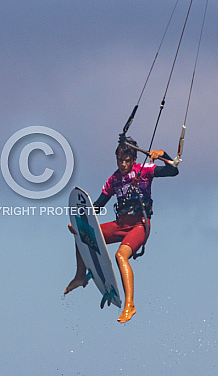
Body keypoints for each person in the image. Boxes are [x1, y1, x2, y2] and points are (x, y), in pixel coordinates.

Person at [64, 138, 179, 323]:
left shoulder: (144, 171)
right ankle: (80, 276)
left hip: (140, 225)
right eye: (120, 160)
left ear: (134, 159)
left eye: (127, 160)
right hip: (121, 224)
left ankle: (130, 305)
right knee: (82, 232)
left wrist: (164, 155)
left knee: (120, 256)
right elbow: (98, 206)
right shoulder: (114, 180)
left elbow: (173, 171)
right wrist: (79, 222)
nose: (123, 164)